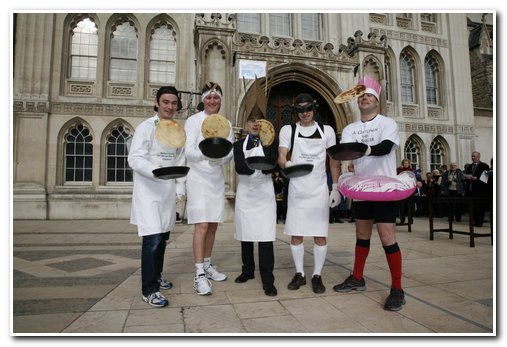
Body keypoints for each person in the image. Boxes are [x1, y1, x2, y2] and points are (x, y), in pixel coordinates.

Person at [333, 77, 405, 311]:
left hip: (384, 188)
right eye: (361, 95)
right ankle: (357, 277)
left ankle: (397, 289)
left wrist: (364, 149)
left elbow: (385, 147)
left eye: (369, 96)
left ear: (377, 100)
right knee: (362, 235)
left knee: (386, 237)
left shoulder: (387, 123)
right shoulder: (350, 128)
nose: (365, 98)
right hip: (362, 189)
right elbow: (346, 153)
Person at [128, 86, 186, 308]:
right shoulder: (145, 128)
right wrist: (156, 170)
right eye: (166, 102)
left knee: (162, 238)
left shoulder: (177, 130)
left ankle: (158, 275)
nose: (170, 106)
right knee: (151, 241)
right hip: (149, 193)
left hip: (167, 193)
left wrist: (180, 190)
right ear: (157, 103)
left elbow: (180, 161)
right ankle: (149, 290)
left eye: (173, 103)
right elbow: (134, 158)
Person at [278, 92, 341, 294]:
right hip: (298, 188)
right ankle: (300, 274)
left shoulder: (327, 130)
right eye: (300, 110)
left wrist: (336, 187)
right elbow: (281, 155)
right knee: (296, 234)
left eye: (308, 109)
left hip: (319, 189)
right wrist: (287, 164)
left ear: (314, 109)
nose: (305, 113)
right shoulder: (288, 130)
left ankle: (317, 275)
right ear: (295, 111)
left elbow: (333, 160)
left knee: (319, 235)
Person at [184, 82, 234, 295]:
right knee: (202, 225)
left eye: (216, 98)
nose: (213, 101)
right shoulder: (193, 121)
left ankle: (206, 264)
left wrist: (220, 159)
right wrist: (208, 155)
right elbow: (188, 151)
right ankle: (199, 274)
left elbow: (230, 152)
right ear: (203, 99)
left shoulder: (226, 123)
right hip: (197, 177)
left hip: (215, 177)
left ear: (220, 100)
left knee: (212, 225)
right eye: (209, 97)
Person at [233, 108, 279, 296]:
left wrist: (261, 162)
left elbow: (272, 165)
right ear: (246, 124)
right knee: (246, 234)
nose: (254, 124)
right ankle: (248, 271)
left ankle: (268, 280)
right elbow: (240, 168)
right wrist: (255, 162)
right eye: (251, 120)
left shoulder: (270, 142)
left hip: (264, 192)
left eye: (258, 120)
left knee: (265, 236)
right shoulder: (238, 145)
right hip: (245, 192)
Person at [463, 151, 490, 227]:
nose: (473, 158)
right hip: (471, 189)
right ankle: (474, 221)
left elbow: (486, 178)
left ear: (478, 157)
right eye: (472, 156)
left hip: (480, 190)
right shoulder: (469, 166)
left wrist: (477, 178)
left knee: (480, 207)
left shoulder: (484, 166)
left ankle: (479, 222)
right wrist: (465, 177)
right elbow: (467, 175)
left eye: (474, 156)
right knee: (473, 207)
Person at [396, 159, 412, 224]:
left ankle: (410, 219)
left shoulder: (411, 171)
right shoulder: (400, 170)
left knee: (409, 206)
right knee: (401, 206)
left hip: (409, 189)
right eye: (404, 163)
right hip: (402, 189)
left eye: (407, 163)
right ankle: (402, 219)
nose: (405, 164)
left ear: (409, 164)